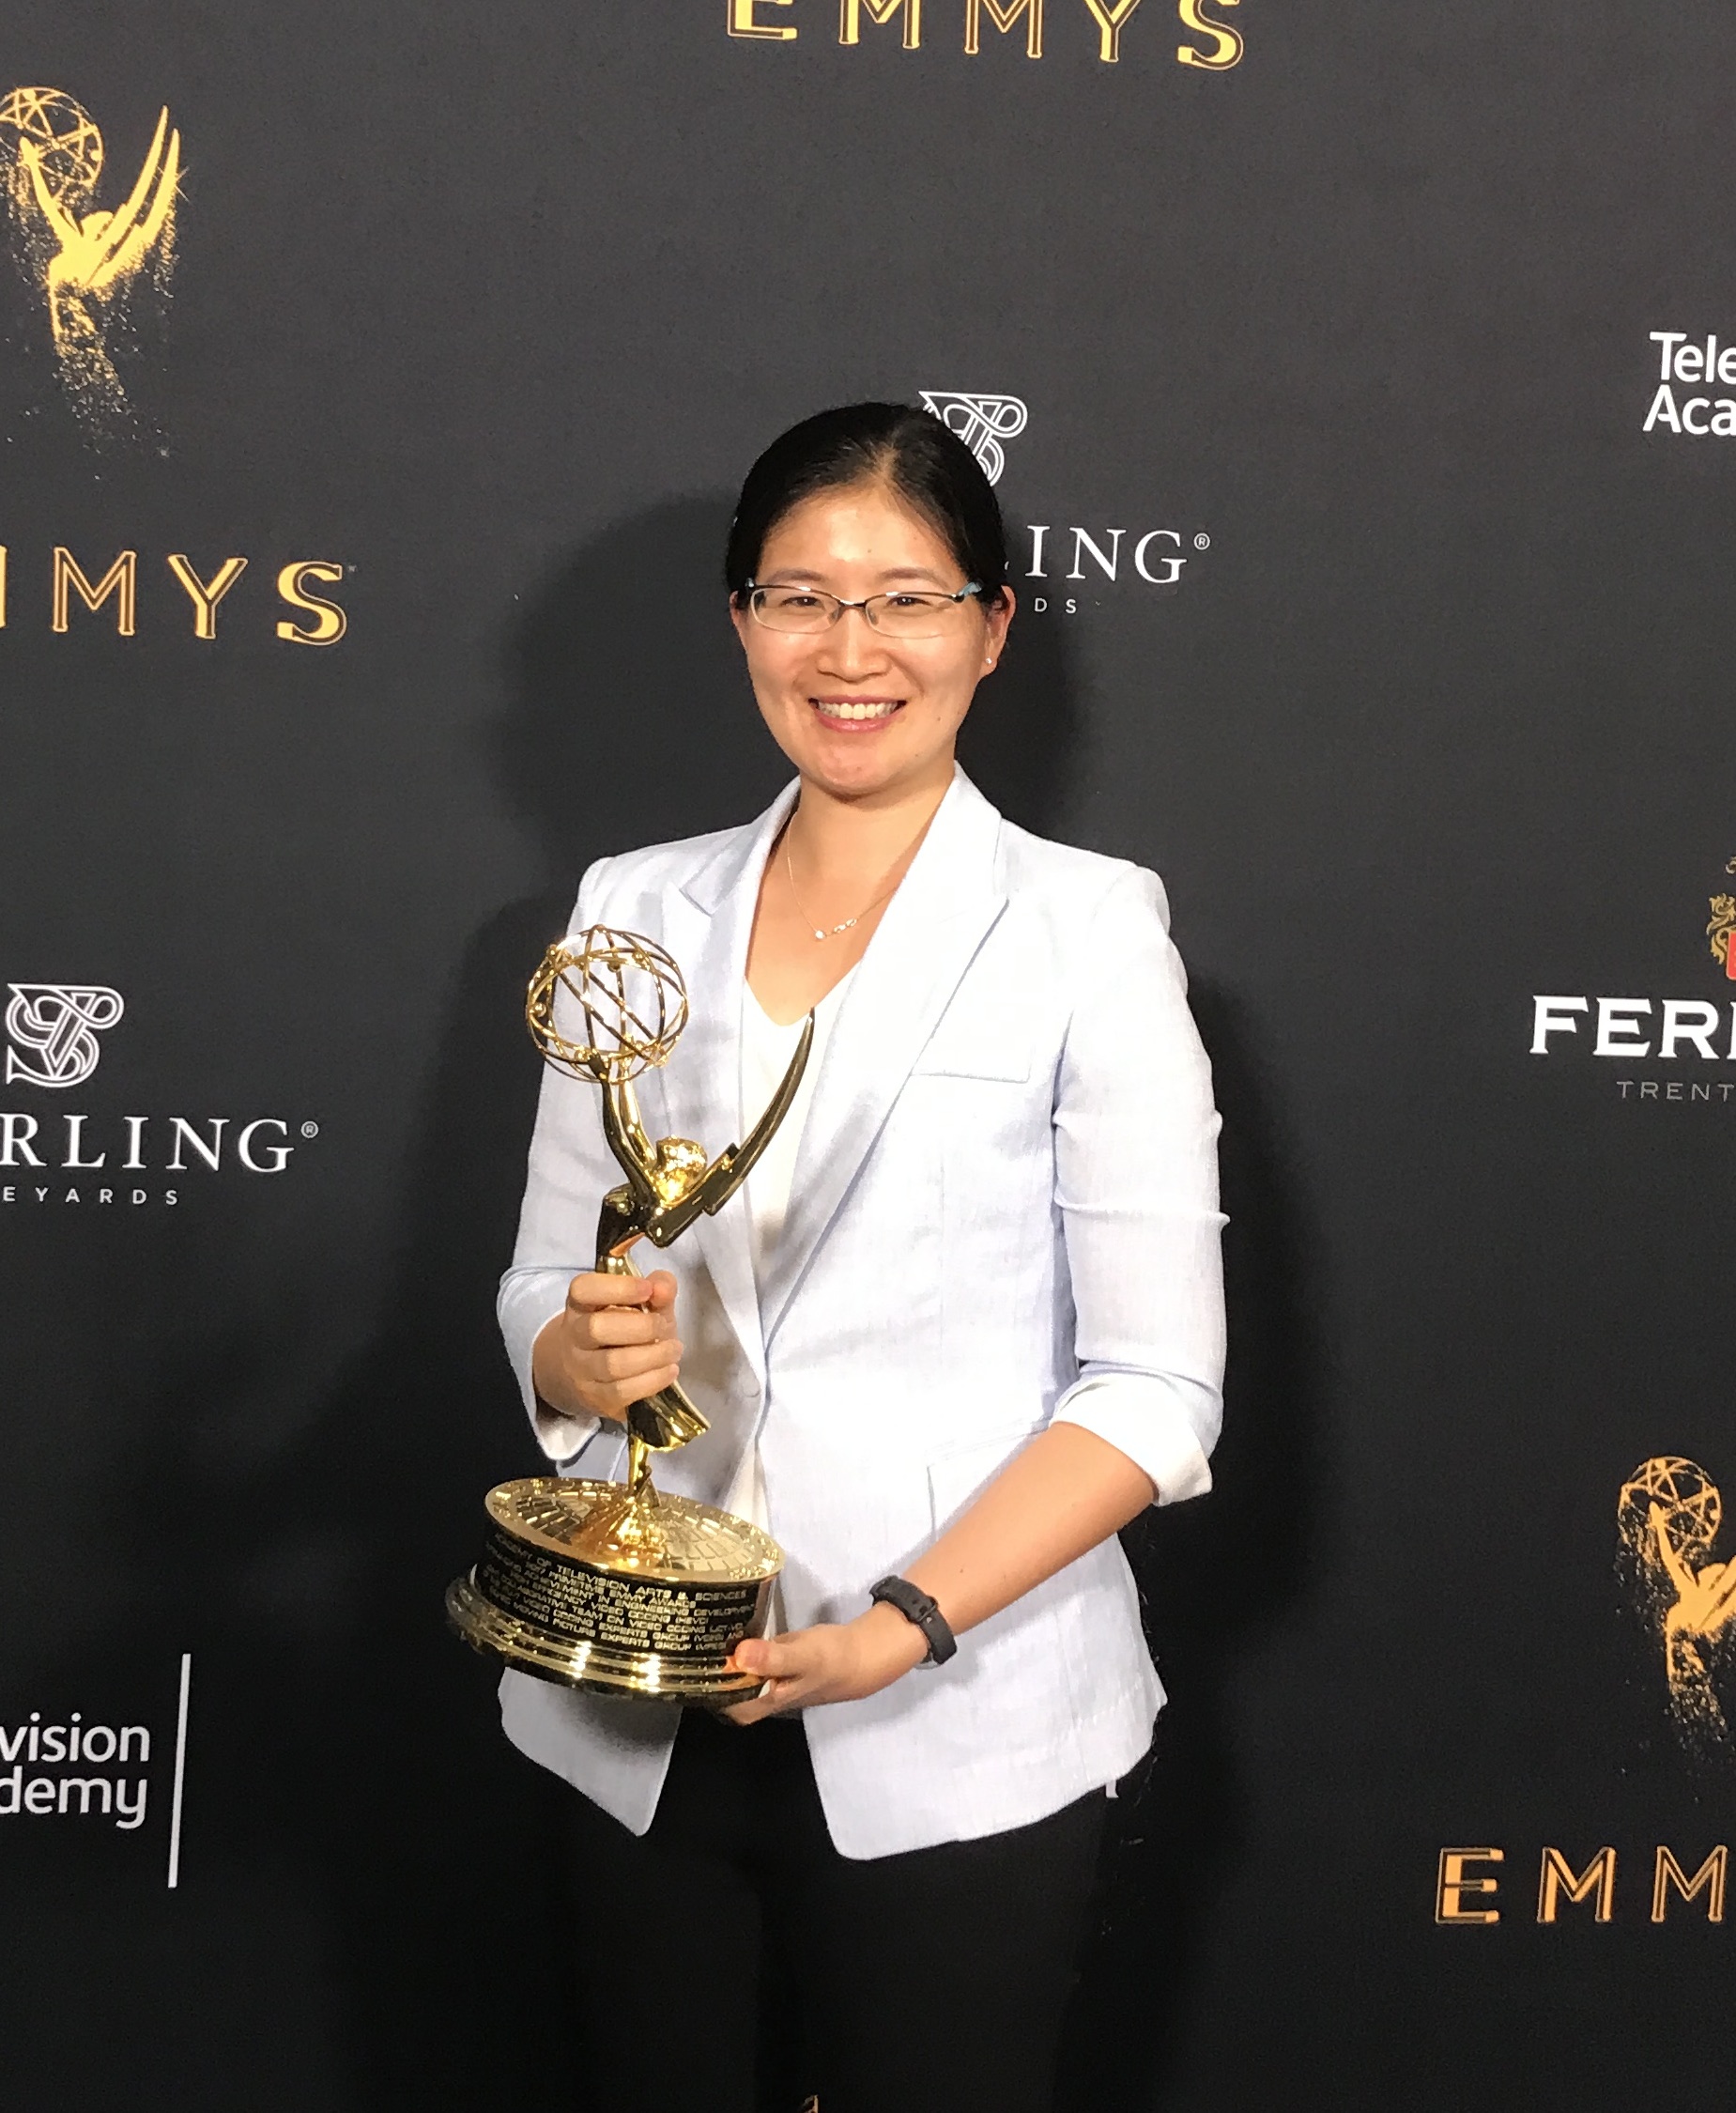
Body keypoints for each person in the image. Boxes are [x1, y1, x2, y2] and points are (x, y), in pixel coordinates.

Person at [496, 402, 1226, 2113]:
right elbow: (541, 1279)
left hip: (950, 1719)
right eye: (799, 595)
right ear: (741, 619)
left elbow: (1154, 1385)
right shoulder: (628, 909)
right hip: (632, 1714)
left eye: (903, 597)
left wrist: (904, 1622)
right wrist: (569, 1352)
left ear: (989, 623)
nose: (849, 649)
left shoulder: (1087, 929)